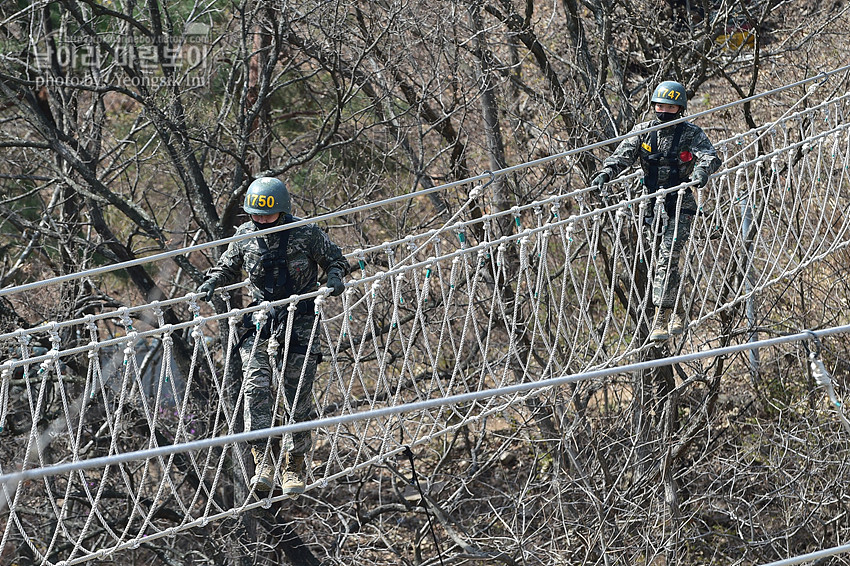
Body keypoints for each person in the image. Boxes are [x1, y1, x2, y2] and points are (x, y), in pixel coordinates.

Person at [196, 177, 347, 496]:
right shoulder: (244, 236)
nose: (261, 220)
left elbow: (336, 260)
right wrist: (211, 283)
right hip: (261, 317)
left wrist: (333, 277)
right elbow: (227, 268)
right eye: (256, 215)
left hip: (301, 315)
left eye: (268, 215)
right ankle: (261, 458)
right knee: (255, 385)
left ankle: (294, 462)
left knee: (296, 389)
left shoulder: (306, 233)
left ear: (283, 210)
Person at [590, 80, 721, 341]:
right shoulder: (643, 132)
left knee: (667, 256)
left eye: (671, 107)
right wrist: (605, 173)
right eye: (660, 106)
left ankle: (661, 314)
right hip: (651, 206)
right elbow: (622, 156)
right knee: (663, 262)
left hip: (680, 203)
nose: (664, 111)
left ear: (680, 109)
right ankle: (679, 311)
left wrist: (700, 173)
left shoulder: (690, 133)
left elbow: (710, 156)